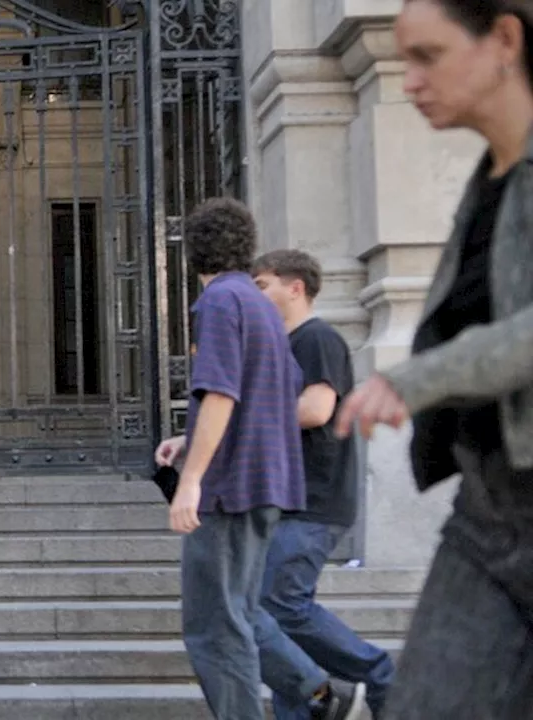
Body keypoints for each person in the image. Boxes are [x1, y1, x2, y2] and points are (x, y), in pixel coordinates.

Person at [335, 1, 533, 717]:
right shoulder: (489, 180)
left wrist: (416, 379)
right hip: (488, 512)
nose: (409, 79)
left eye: (429, 55)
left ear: (504, 39)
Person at [154, 198, 365, 720]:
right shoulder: (261, 309)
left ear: (192, 253)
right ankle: (323, 696)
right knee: (242, 618)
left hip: (232, 488)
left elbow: (223, 393)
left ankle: (317, 697)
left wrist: (191, 481)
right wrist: (190, 439)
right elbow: (266, 398)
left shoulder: (221, 303)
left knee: (214, 630)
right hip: (268, 485)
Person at [253, 249, 397, 718]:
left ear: (295, 288)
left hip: (314, 500)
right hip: (287, 500)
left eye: (263, 285)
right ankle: (304, 709)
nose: (256, 294)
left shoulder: (317, 339)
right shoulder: (283, 344)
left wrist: (243, 419)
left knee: (280, 606)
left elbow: (316, 409)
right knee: (279, 618)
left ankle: (378, 674)